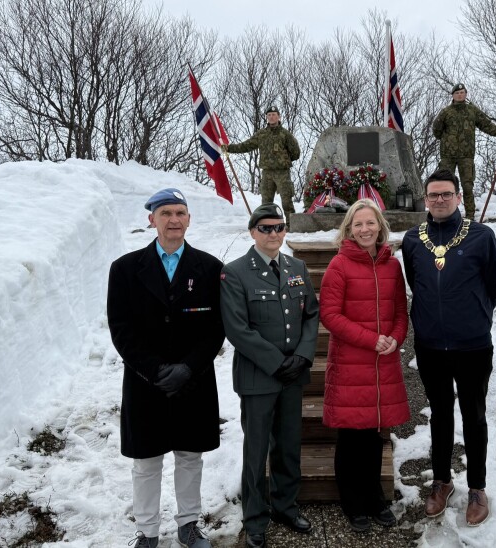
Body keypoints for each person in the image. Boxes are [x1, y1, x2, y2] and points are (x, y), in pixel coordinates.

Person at [107, 188, 224, 548]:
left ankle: (189, 523)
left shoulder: (210, 268)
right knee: (146, 459)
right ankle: (147, 530)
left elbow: (217, 327)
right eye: (166, 213)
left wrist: (188, 368)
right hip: (146, 382)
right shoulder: (125, 269)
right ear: (151, 219)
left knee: (190, 455)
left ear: (189, 219)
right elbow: (121, 329)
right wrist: (155, 370)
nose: (174, 220)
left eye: (180, 213)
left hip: (194, 380)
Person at [401, 168, 496, 527]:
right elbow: (414, 281)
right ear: (425, 200)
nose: (440, 200)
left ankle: (477, 487)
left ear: (459, 197)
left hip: (473, 345)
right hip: (430, 345)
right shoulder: (413, 240)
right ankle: (442, 481)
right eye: (433, 195)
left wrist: (472, 315)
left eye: (447, 194)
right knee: (440, 414)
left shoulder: (481, 236)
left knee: (474, 415)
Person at [220, 203, 319, 548]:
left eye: (279, 228)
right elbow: (237, 328)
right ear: (252, 232)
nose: (274, 234)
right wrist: (277, 362)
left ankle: (285, 506)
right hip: (259, 377)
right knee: (257, 449)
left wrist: (304, 356)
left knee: (289, 445)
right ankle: (255, 517)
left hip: (293, 375)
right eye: (266, 228)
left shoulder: (297, 267)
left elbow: (310, 315)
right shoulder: (235, 272)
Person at [319, 199, 410, 532]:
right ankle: (353, 503)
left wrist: (395, 339)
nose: (364, 229)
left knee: (375, 438)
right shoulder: (339, 266)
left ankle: (375, 498)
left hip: (383, 363)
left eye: (370, 223)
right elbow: (330, 315)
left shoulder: (391, 266)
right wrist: (371, 339)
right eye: (358, 224)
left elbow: (401, 312)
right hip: (351, 363)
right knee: (351, 439)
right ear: (348, 229)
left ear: (380, 227)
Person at [432, 83, 496, 220]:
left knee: (467, 186)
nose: (460, 95)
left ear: (466, 94)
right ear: (453, 95)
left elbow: (487, 126)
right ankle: (446, 215)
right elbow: (436, 130)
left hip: (466, 156)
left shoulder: (472, 111)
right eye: (457, 93)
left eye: (462, 92)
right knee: (445, 187)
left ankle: (470, 217)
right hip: (448, 156)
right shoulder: (446, 112)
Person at [225, 106, 301, 215]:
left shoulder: (285, 134)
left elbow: (296, 152)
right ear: (266, 117)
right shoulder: (261, 134)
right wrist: (229, 148)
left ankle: (291, 226)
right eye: (269, 115)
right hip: (267, 173)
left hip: (282, 173)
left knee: (286, 202)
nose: (271, 117)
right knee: (266, 203)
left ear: (279, 117)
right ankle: (267, 225)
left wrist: (283, 161)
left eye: (274, 114)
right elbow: (246, 146)